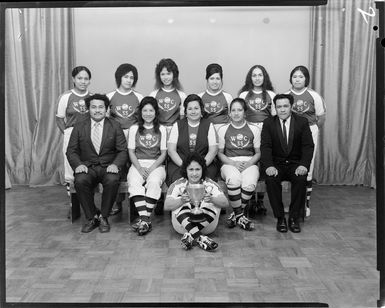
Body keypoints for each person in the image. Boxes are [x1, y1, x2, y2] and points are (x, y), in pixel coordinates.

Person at [66, 94, 128, 233]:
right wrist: (78, 165)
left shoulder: (115, 125)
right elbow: (71, 151)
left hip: (108, 166)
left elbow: (122, 150)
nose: (97, 110)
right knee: (80, 180)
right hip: (88, 167)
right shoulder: (79, 126)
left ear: (106, 109)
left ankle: (104, 217)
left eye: (101, 107)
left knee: (112, 180)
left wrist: (116, 165)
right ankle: (92, 216)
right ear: (89, 109)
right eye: (94, 107)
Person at [260, 93, 314, 233]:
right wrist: (269, 166)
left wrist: (303, 165)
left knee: (301, 179)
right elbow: (265, 147)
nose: (282, 110)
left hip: (296, 164)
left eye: (285, 106)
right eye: (279, 107)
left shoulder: (302, 122)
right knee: (271, 180)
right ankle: (280, 218)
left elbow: (308, 146)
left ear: (291, 107)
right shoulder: (268, 123)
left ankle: (294, 218)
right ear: (275, 108)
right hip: (276, 164)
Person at [164, 152, 228, 251]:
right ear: (186, 170)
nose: (194, 173)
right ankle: (200, 237)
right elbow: (167, 206)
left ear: (203, 170)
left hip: (207, 226)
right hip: (181, 226)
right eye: (191, 169)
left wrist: (211, 199)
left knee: (213, 201)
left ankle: (191, 236)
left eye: (197, 169)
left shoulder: (210, 184)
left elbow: (225, 203)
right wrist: (181, 200)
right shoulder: (177, 184)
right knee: (179, 201)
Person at [287, 65, 326, 217]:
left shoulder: (314, 96)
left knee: (307, 166)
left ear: (306, 79)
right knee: (292, 165)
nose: (297, 79)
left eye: (301, 76)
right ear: (291, 78)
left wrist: (312, 130)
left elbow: (321, 118)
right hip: (290, 133)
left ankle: (306, 203)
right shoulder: (285, 95)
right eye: (295, 76)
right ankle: (292, 202)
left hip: (310, 131)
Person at [217, 98, 261, 231]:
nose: (236, 113)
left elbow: (258, 153)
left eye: (239, 110)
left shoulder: (254, 129)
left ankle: (236, 214)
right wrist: (233, 163)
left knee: (250, 182)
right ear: (229, 113)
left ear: (245, 112)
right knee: (234, 179)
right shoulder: (223, 129)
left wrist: (249, 163)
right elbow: (219, 153)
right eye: (233, 110)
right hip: (229, 162)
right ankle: (241, 215)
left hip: (249, 161)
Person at [238, 65, 276, 215]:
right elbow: (239, 115)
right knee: (251, 160)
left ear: (264, 77)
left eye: (260, 75)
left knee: (264, 162)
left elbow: (274, 117)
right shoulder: (244, 95)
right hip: (249, 130)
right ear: (250, 77)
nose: (257, 78)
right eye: (254, 75)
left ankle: (260, 200)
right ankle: (249, 200)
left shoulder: (271, 95)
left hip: (266, 131)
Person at [127, 96, 167, 235]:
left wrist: (151, 168)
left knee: (154, 182)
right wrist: (139, 168)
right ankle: (146, 220)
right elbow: (131, 151)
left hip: (156, 165)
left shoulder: (161, 129)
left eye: (151, 110)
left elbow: (163, 154)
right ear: (140, 112)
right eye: (145, 110)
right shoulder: (134, 129)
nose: (148, 113)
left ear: (156, 112)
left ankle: (143, 219)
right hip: (138, 163)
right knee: (134, 182)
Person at [107, 63, 144, 215]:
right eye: (126, 77)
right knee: (118, 167)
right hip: (116, 136)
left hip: (134, 135)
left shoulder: (139, 97)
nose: (129, 80)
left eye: (132, 78)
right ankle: (117, 201)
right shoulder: (109, 97)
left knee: (133, 167)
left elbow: (143, 119)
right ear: (119, 77)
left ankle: (135, 201)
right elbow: (107, 120)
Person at [55, 66, 92, 211]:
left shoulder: (92, 97)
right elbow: (59, 119)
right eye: (79, 78)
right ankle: (73, 204)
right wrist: (68, 134)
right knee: (71, 169)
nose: (83, 81)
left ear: (89, 80)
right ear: (73, 79)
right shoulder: (66, 97)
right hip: (71, 133)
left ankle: (88, 202)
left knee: (88, 166)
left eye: (86, 79)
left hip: (89, 135)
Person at [167, 94, 218, 186]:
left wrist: (199, 167)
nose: (193, 111)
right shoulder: (177, 125)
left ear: (201, 110)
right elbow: (171, 151)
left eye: (196, 108)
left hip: (205, 164)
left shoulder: (208, 125)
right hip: (180, 164)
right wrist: (185, 166)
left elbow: (213, 151)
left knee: (207, 183)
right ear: (185, 111)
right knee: (179, 183)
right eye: (190, 109)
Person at [149, 58, 187, 135]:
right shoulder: (153, 95)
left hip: (175, 131)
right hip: (158, 131)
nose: (165, 77)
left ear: (174, 75)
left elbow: (183, 119)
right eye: (162, 74)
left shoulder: (182, 95)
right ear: (159, 76)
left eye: (168, 73)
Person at [198, 63, 233, 131]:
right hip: (205, 130)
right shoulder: (200, 97)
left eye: (217, 78)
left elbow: (232, 117)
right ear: (207, 79)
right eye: (212, 78)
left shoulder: (228, 97)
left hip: (224, 131)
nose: (215, 82)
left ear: (221, 80)